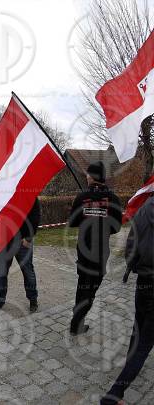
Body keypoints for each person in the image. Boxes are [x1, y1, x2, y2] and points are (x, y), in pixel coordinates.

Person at [100, 196, 154, 405]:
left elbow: (131, 243)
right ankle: (113, 396)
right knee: (144, 344)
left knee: (138, 329)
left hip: (144, 281)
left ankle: (131, 364)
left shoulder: (146, 206)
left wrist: (134, 266)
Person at [68, 161, 122, 335]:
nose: (86, 177)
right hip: (100, 252)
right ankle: (77, 322)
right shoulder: (113, 198)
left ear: (92, 176)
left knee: (83, 284)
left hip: (84, 250)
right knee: (91, 288)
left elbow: (73, 222)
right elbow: (116, 227)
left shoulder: (81, 197)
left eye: (88, 174)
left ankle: (77, 319)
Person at [0, 198, 40, 313]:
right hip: (5, 241)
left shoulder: (29, 194)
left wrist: (29, 238)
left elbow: (35, 216)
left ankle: (33, 300)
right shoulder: (3, 194)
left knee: (28, 271)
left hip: (23, 241)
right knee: (1, 272)